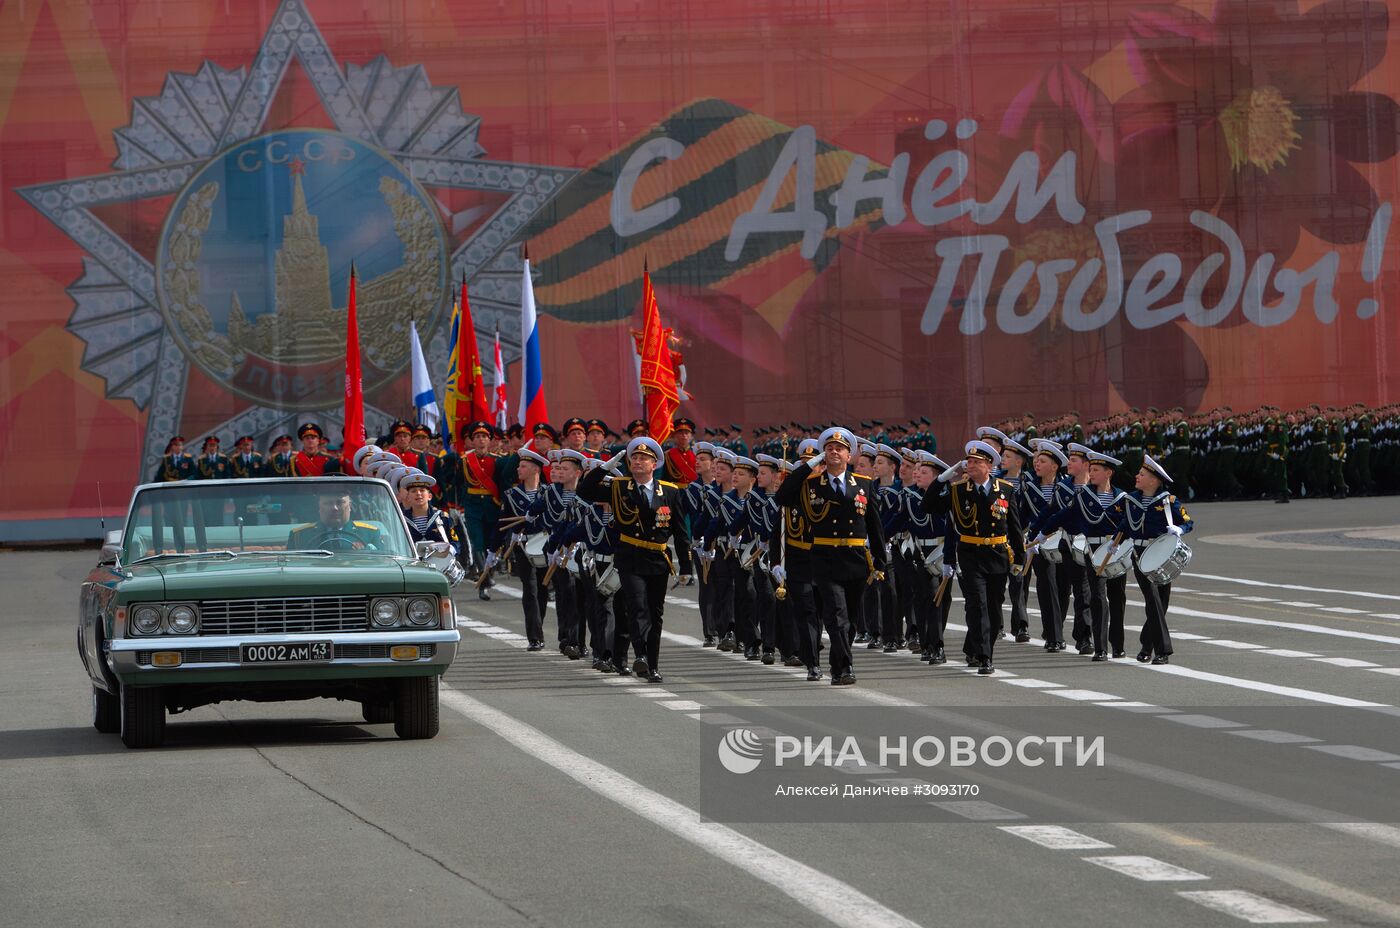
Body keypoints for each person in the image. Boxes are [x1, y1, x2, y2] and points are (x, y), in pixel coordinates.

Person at [773, 427, 886, 686]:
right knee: (836, 615)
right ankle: (844, 668)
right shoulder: (811, 484)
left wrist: (879, 562)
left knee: (851, 619)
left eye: (840, 449)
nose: (834, 451)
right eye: (830, 448)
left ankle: (839, 665)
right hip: (824, 557)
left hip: (856, 557)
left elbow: (875, 525)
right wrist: (810, 464)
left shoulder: (864, 485)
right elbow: (783, 496)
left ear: (850, 456)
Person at [577, 436, 694, 683]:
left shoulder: (670, 492)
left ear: (655, 464)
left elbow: (681, 532)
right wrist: (604, 468)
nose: (638, 462)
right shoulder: (619, 487)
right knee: (637, 605)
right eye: (635, 458)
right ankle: (639, 655)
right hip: (629, 558)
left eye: (644, 459)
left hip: (658, 558)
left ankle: (652, 665)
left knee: (655, 613)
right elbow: (584, 491)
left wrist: (686, 566)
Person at [927, 440, 1025, 675]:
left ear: (989, 465)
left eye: (976, 462)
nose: (970, 465)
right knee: (977, 605)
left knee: (993, 608)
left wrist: (1019, 559)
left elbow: (1014, 527)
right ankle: (984, 657)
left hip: (998, 555)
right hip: (970, 555)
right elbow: (928, 505)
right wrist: (943, 478)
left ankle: (978, 647)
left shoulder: (1005, 489)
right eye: (968, 461)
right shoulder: (958, 489)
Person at [1121, 455, 1192, 665]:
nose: (1137, 476)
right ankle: (1163, 650)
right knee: (1152, 600)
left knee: (1162, 603)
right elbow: (1125, 525)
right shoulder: (1131, 500)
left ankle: (1146, 645)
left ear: (1154, 481)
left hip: (1162, 556)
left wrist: (1179, 528)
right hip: (1141, 557)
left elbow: (1188, 521)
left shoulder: (1168, 501)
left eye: (1142, 475)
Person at [499, 447, 552, 650]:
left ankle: (537, 626)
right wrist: (493, 549)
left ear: (535, 470)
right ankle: (535, 637)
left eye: (523, 466)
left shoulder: (548, 493)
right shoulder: (512, 494)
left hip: (545, 545)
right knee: (529, 589)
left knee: (543, 588)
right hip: (522, 545)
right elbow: (502, 522)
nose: (518, 469)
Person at [287, 489, 383, 551]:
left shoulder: (370, 534)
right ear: (319, 507)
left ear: (350, 506)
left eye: (340, 502)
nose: (335, 508)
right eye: (328, 503)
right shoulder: (299, 536)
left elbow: (383, 567)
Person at [400, 470, 460, 555]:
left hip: (440, 563)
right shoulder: (401, 519)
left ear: (430, 496)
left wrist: (449, 552)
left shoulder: (442, 517)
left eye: (422, 490)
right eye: (413, 491)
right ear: (408, 497)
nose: (418, 493)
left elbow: (455, 543)